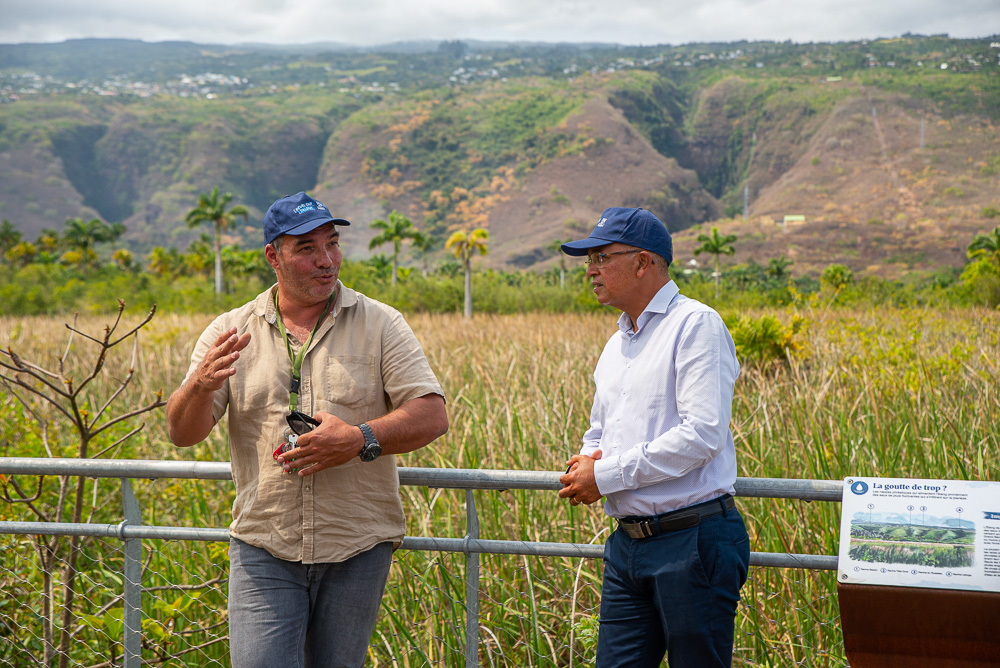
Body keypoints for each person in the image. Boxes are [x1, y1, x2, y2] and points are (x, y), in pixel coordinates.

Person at [166, 192, 448, 668]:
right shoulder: (230, 330)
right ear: (273, 257)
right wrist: (198, 384)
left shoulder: (381, 324)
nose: (327, 261)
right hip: (263, 544)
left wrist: (358, 439)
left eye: (332, 244)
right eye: (307, 249)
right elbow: (182, 433)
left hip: (357, 546)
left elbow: (431, 414)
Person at [557, 206, 750, 668]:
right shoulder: (618, 340)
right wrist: (585, 463)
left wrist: (605, 475)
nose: (591, 270)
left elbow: (703, 434)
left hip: (692, 540)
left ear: (644, 262)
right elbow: (600, 426)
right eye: (589, 260)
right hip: (628, 544)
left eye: (602, 257)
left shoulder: (695, 325)